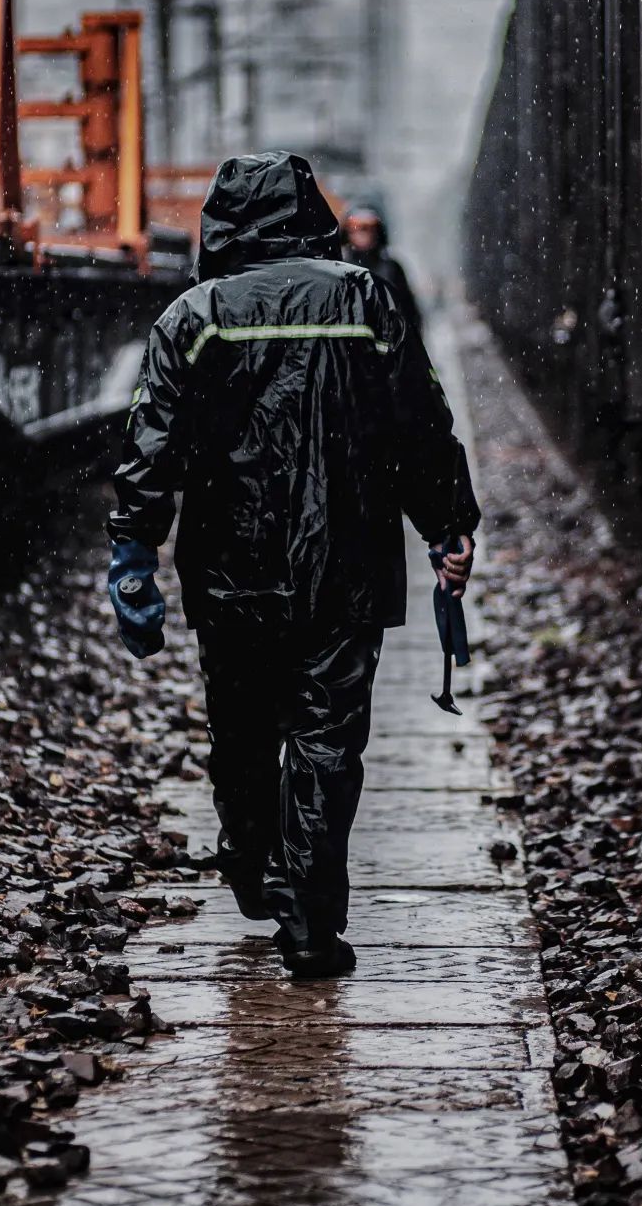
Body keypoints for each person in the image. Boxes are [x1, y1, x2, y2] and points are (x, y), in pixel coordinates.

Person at [107, 152, 479, 980]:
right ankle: (310, 920)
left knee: (241, 726)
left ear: (221, 226)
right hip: (345, 565)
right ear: (314, 215)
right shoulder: (365, 300)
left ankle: (248, 855)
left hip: (231, 571)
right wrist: (449, 524)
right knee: (326, 738)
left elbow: (149, 447)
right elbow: (419, 424)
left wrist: (134, 550)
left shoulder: (193, 315)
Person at [342, 204, 423, 331]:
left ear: (377, 230)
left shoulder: (392, 269)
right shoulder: (339, 267)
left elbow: (410, 314)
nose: (360, 233)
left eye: (366, 227)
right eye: (354, 227)